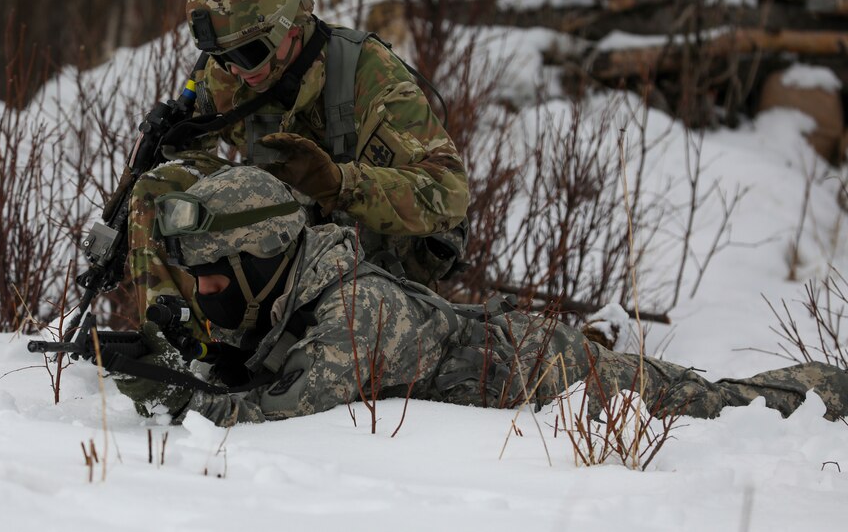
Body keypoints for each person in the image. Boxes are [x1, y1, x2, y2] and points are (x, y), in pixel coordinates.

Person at [114, 165, 848, 427]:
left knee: (724, 407)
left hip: (547, 375)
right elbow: (256, 362)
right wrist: (184, 349)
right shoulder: (292, 291)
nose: (205, 293)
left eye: (214, 278)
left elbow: (281, 412)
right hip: (500, 357)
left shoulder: (354, 311)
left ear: (262, 258)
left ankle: (828, 388)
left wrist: (180, 393)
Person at [126, 0, 469, 320]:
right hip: (280, 240)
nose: (236, 71)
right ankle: (180, 350)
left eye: (249, 54)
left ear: (289, 27)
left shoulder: (368, 74)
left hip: (368, 250)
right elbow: (188, 170)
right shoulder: (228, 73)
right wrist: (172, 149)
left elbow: (449, 193)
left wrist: (340, 184)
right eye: (223, 58)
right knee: (162, 187)